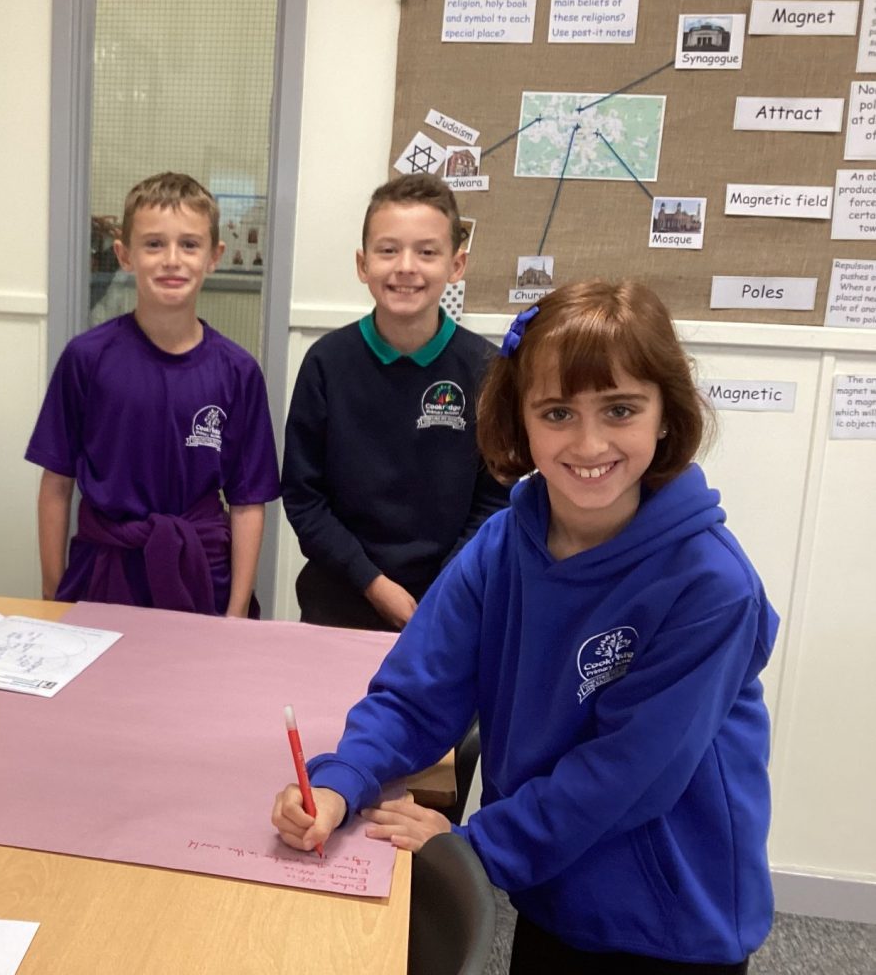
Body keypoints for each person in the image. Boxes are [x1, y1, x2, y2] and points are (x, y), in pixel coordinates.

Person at [272, 280, 776, 972]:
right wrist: (340, 780)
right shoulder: (501, 545)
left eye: (620, 409)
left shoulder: (710, 584)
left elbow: (626, 776)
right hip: (552, 893)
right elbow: (417, 693)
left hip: (672, 924)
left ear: (665, 415)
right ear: (521, 420)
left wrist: (475, 846)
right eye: (557, 412)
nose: (589, 443)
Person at [26, 172, 280, 617]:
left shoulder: (238, 372)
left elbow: (247, 503)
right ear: (125, 255)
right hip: (104, 571)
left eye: (189, 245)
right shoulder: (87, 359)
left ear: (214, 256)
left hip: (202, 574)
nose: (172, 260)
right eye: (154, 244)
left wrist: (237, 611)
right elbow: (57, 483)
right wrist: (53, 594)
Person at [283, 173, 508, 631]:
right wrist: (372, 584)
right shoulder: (326, 363)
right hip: (340, 598)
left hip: (453, 599)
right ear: (362, 264)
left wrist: (446, 586)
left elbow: (496, 500)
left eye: (427, 252)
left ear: (457, 265)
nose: (406, 267)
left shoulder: (488, 368)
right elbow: (304, 498)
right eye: (388, 250)